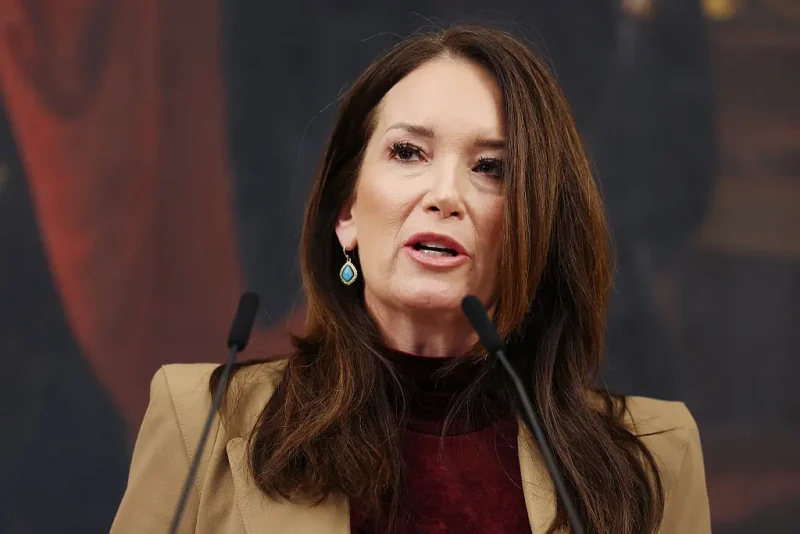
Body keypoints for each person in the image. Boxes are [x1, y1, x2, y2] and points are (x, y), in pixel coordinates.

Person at [111, 24, 711, 533]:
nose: (444, 196)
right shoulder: (204, 422)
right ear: (346, 214)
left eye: (490, 168)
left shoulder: (653, 455)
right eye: (408, 153)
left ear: (537, 228)